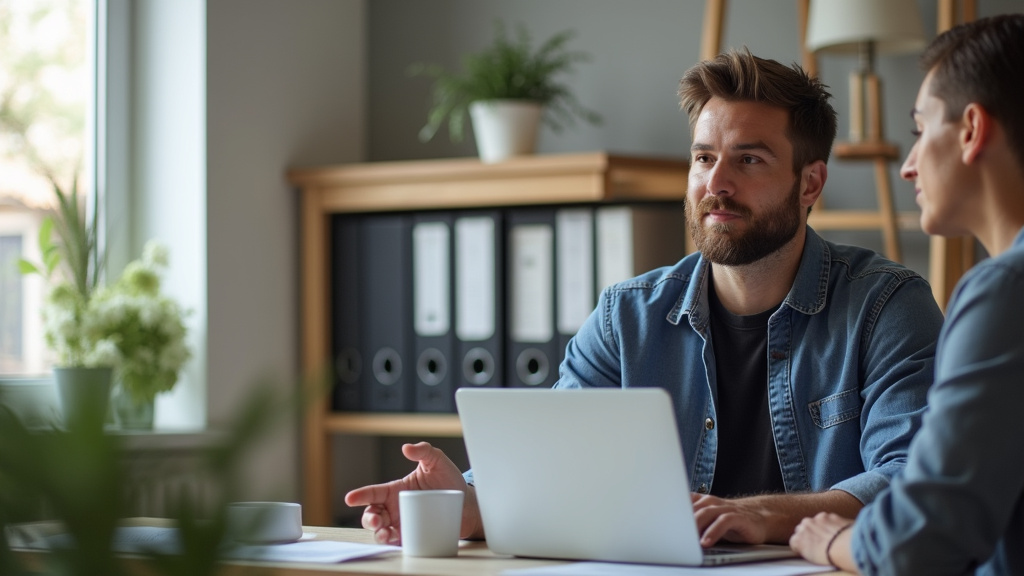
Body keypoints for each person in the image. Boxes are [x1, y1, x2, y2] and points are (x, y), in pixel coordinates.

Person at [346, 48, 944, 548]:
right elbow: (557, 459)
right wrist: (467, 501)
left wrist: (768, 516)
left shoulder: (887, 307)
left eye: (749, 160)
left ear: (809, 182)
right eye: (704, 158)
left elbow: (914, 479)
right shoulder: (626, 316)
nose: (717, 184)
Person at [790, 14, 1024, 575]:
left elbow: (921, 541)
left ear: (971, 130)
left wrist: (833, 541)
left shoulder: (1002, 291)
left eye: (921, 131)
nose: (909, 167)